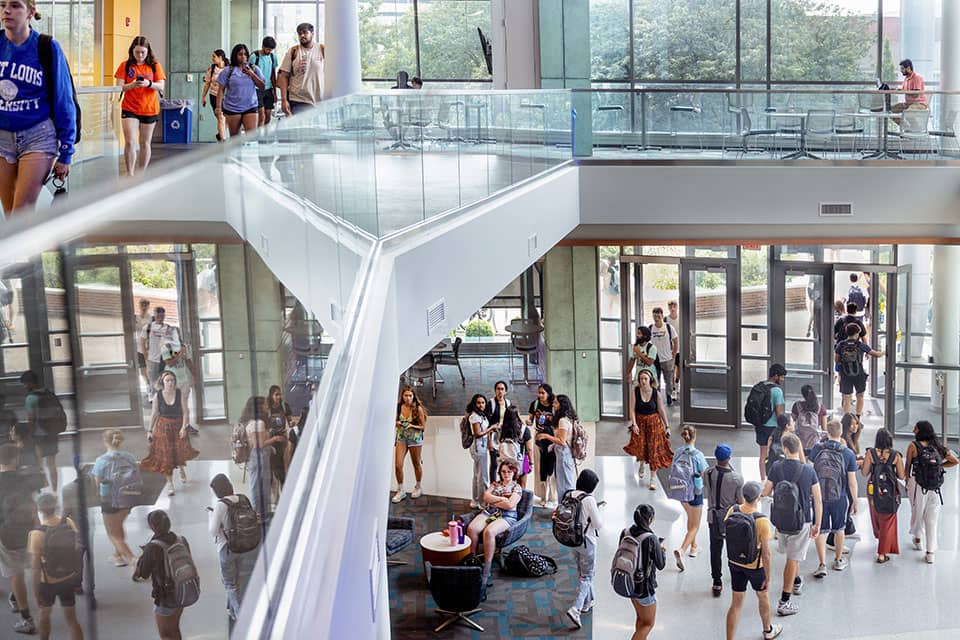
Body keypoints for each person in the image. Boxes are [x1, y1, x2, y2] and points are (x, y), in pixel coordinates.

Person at [0, 0, 74, 217]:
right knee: (11, 214)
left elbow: (64, 100)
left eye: (15, 5)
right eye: (3, 4)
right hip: (2, 137)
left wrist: (66, 152)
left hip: (38, 136)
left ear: (30, 11)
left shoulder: (47, 47)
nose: (6, 10)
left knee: (22, 214)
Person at [762, 432, 822, 617]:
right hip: (801, 521)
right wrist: (817, 523)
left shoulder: (775, 467)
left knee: (791, 554)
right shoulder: (809, 471)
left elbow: (766, 491)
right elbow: (818, 500)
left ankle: (796, 581)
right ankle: (784, 601)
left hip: (780, 520)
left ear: (785, 449)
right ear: (799, 449)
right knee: (792, 559)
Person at [724, 481, 782, 640]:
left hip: (735, 563)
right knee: (763, 596)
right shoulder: (762, 521)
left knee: (735, 603)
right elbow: (766, 553)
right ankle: (768, 631)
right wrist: (768, 576)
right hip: (755, 567)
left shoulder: (732, 510)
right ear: (758, 498)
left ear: (743, 496)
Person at [29, 493, 83, 640]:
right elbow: (76, 548)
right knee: (72, 619)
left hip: (47, 582)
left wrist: (36, 592)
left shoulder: (36, 534)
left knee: (44, 616)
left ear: (39, 509)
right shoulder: (68, 522)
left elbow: (35, 569)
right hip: (68, 578)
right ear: (56, 505)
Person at [133, 510, 194, 640]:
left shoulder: (153, 547)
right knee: (175, 629)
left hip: (165, 597)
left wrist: (142, 559)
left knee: (165, 634)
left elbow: (144, 574)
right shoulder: (181, 539)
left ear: (152, 526)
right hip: (183, 590)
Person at [809, 420, 859, 577]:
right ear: (841, 432)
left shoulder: (818, 448)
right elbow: (852, 481)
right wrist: (855, 501)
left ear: (827, 432)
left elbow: (810, 471)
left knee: (820, 528)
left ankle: (822, 564)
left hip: (819, 496)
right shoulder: (848, 453)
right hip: (840, 496)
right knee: (839, 528)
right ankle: (838, 560)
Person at [904, 420, 958, 564]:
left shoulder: (913, 446)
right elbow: (955, 461)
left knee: (917, 511)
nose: (913, 430)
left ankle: (917, 538)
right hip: (935, 487)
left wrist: (907, 480)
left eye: (915, 428)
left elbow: (908, 465)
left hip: (917, 484)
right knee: (932, 518)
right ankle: (930, 552)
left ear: (920, 431)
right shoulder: (938, 447)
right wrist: (941, 465)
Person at [208, 474, 258, 629]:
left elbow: (213, 531)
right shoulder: (243, 498)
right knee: (240, 579)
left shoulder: (220, 505)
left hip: (227, 549)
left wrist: (211, 516)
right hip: (247, 545)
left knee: (230, 583)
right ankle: (231, 608)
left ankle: (240, 616)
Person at [465, 459, 522, 592]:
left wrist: (494, 501)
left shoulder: (516, 487)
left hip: (507, 516)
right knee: (472, 529)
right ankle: (472, 561)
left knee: (489, 532)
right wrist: (502, 499)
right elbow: (485, 497)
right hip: (489, 512)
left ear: (514, 472)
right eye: (503, 471)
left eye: (509, 471)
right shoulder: (495, 484)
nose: (506, 474)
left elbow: (510, 505)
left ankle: (487, 568)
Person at [141, 371, 199, 497]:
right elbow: (154, 413)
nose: (170, 383)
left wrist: (184, 427)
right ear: (163, 382)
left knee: (178, 451)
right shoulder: (158, 396)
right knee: (166, 455)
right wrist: (150, 430)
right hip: (163, 427)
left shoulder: (180, 394)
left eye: (172, 380)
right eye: (168, 380)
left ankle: (181, 469)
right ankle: (170, 483)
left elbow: (185, 412)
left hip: (178, 426)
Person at [0, 443, 38, 634]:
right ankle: (16, 598)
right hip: (27, 531)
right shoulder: (25, 479)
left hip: (6, 534)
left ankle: (26, 618)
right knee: (25, 569)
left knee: (16, 573)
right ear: (16, 459)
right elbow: (33, 506)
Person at [115, 36, 165, 176]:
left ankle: (141, 174)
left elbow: (161, 86)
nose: (140, 55)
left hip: (149, 108)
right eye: (137, 52)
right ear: (132, 51)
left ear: (148, 51)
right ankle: (130, 173)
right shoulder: (125, 65)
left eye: (143, 52)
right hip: (130, 108)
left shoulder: (155, 66)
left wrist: (149, 84)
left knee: (144, 143)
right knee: (130, 142)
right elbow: (119, 87)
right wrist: (132, 85)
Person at [91, 429, 138, 567]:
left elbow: (97, 483)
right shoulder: (129, 457)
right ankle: (117, 556)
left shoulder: (101, 461)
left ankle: (132, 559)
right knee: (118, 527)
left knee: (112, 534)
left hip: (110, 500)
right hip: (128, 498)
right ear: (120, 441)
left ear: (105, 441)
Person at [563, 468, 603, 630]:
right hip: (587, 542)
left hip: (572, 540)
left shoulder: (569, 494)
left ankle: (588, 602)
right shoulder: (589, 500)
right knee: (587, 576)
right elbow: (598, 524)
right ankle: (576, 608)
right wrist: (599, 511)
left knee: (584, 572)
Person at [703, 444, 744, 597]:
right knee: (733, 548)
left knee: (715, 549)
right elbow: (740, 501)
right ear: (729, 458)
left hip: (713, 516)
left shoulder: (707, 473)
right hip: (730, 518)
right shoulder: (736, 478)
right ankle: (736, 577)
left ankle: (717, 582)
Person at [860, 428, 905, 563]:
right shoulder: (895, 455)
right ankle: (882, 553)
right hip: (890, 491)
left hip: (873, 489)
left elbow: (864, 473)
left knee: (876, 515)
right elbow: (901, 475)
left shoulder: (870, 453)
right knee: (888, 519)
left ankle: (880, 538)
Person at [624, 370, 673, 491]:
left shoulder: (656, 393)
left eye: (645, 379)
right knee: (641, 447)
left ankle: (652, 479)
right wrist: (634, 424)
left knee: (653, 451)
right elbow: (632, 410)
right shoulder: (635, 391)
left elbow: (661, 410)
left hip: (654, 424)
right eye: (641, 379)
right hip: (640, 423)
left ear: (650, 380)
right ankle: (641, 463)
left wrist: (667, 426)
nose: (643, 381)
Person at [622, 504, 665, 640]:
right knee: (648, 624)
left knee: (641, 619)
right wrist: (662, 551)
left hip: (629, 583)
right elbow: (661, 565)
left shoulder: (625, 532)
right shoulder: (651, 538)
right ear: (650, 519)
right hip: (644, 588)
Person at [240, 395, 286, 521]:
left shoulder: (249, 421)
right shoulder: (258, 423)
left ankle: (259, 513)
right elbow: (259, 444)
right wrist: (275, 439)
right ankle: (259, 514)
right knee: (260, 486)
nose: (267, 406)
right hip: (258, 457)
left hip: (253, 457)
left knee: (257, 485)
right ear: (259, 407)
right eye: (265, 404)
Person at [671, 425, 708, 571]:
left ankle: (694, 547)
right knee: (695, 525)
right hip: (695, 492)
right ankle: (682, 550)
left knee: (690, 520)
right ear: (694, 436)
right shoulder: (698, 455)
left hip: (681, 492)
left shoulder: (678, 452)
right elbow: (704, 472)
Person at [20, 370, 61, 492]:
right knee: (52, 464)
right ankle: (54, 491)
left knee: (39, 464)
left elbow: (31, 419)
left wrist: (29, 435)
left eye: (25, 383)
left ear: (30, 383)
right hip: (52, 433)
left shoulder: (31, 398)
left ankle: (40, 490)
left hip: (39, 435)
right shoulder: (49, 393)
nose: (24, 386)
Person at [215, 43, 265, 137]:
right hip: (233, 107)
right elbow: (221, 90)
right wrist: (218, 108)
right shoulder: (228, 70)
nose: (243, 57)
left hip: (250, 106)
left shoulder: (254, 69)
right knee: (235, 139)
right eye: (240, 54)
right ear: (235, 55)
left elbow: (262, 86)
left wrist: (252, 74)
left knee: (251, 137)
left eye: (245, 54)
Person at [835, 323, 884, 417]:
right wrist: (885, 352)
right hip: (859, 374)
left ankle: (847, 419)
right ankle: (857, 417)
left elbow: (837, 360)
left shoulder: (840, 345)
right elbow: (876, 354)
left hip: (845, 374)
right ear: (857, 334)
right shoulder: (860, 345)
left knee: (847, 398)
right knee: (860, 395)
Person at [278, 22, 324, 117]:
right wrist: (284, 100)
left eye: (305, 32)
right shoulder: (293, 51)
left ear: (312, 34)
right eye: (299, 33)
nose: (302, 35)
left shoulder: (321, 49)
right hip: (298, 100)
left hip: (319, 101)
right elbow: (283, 76)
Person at [537, 394, 577, 501]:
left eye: (555, 403)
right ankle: (564, 507)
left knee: (565, 483)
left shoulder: (563, 421)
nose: (553, 405)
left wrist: (546, 436)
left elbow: (562, 441)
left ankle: (567, 508)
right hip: (564, 454)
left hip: (564, 455)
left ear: (561, 405)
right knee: (564, 482)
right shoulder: (568, 418)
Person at [391, 386, 426, 504]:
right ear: (402, 396)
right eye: (405, 395)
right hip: (402, 437)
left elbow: (422, 427)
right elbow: (393, 421)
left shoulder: (418, 409)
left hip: (415, 439)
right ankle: (400, 490)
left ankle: (418, 486)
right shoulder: (398, 407)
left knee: (416, 463)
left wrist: (411, 426)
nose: (408, 398)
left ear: (413, 396)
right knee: (398, 465)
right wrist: (397, 423)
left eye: (410, 395)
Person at [754, 364, 786, 482]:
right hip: (771, 426)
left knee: (762, 454)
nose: (782, 380)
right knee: (773, 455)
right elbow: (779, 412)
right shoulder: (777, 391)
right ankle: (771, 480)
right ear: (776, 376)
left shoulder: (760, 386)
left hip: (760, 424)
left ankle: (763, 479)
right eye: (782, 377)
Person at [527, 384, 557, 507]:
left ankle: (552, 496)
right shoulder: (534, 404)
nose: (540, 395)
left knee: (552, 468)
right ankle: (543, 496)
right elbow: (531, 419)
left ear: (548, 393)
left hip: (551, 439)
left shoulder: (554, 405)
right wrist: (528, 421)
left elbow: (558, 423)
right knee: (541, 467)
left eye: (542, 393)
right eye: (539, 392)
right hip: (539, 439)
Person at [467, 394, 497, 509]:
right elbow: (477, 434)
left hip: (480, 447)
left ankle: (475, 500)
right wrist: (491, 428)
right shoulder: (475, 417)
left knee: (477, 474)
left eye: (483, 402)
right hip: (479, 448)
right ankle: (483, 502)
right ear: (474, 404)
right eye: (479, 403)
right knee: (483, 476)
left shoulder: (480, 415)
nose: (481, 405)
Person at [161, 340, 197, 435]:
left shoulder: (184, 346)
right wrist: (180, 353)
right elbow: (169, 363)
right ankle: (172, 426)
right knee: (172, 404)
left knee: (184, 405)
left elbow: (188, 361)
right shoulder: (166, 347)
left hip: (183, 380)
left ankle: (186, 425)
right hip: (171, 381)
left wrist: (195, 375)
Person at [141, 306, 176, 392]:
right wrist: (146, 356)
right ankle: (154, 399)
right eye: (158, 316)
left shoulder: (168, 327)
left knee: (165, 381)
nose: (160, 318)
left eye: (162, 316)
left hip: (165, 359)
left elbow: (171, 344)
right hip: (152, 359)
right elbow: (142, 343)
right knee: (153, 382)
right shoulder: (147, 328)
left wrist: (172, 356)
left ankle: (164, 400)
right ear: (154, 315)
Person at [499, 405, 534, 489]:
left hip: (506, 460)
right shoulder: (524, 429)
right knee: (522, 486)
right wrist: (531, 463)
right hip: (523, 459)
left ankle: (510, 501)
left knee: (508, 485)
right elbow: (529, 449)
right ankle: (521, 501)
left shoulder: (501, 428)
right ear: (517, 415)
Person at [266, 385, 293, 492]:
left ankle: (283, 487)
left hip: (282, 439)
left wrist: (292, 423)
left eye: (279, 394)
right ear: (271, 395)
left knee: (281, 465)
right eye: (276, 394)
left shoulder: (285, 406)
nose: (278, 397)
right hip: (271, 440)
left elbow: (289, 421)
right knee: (272, 465)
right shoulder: (267, 408)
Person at [649, 307, 678, 405]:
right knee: (655, 381)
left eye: (658, 316)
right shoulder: (650, 328)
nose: (656, 318)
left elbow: (675, 340)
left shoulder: (669, 327)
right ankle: (657, 399)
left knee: (669, 381)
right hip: (655, 360)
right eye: (654, 316)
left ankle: (669, 396)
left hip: (667, 360)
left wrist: (673, 353)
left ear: (662, 315)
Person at [485, 380, 511, 482]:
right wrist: (489, 441)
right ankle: (493, 484)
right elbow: (487, 423)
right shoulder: (491, 403)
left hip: (505, 436)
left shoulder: (508, 403)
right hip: (493, 436)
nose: (500, 391)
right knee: (494, 463)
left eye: (502, 389)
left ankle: (503, 484)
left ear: (506, 391)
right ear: (495, 390)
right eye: (498, 389)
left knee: (504, 461)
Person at [791, 384, 827, 455]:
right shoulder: (821, 407)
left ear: (803, 394)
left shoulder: (797, 405)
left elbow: (791, 421)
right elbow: (824, 428)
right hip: (814, 442)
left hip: (799, 441)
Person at [200, 49, 227, 141]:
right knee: (221, 118)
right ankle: (223, 140)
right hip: (214, 96)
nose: (212, 58)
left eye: (214, 56)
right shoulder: (212, 69)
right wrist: (203, 97)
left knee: (224, 119)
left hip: (227, 97)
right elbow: (207, 83)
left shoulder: (229, 68)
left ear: (220, 58)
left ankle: (221, 137)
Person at [252, 37, 279, 126]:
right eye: (268, 49)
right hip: (257, 90)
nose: (269, 51)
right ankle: (259, 138)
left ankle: (263, 135)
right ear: (263, 46)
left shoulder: (272, 57)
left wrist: (275, 92)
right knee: (261, 116)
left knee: (268, 116)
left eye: (271, 49)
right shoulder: (254, 57)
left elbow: (273, 75)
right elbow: (249, 74)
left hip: (268, 89)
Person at [892, 58, 927, 123]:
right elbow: (904, 90)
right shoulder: (906, 79)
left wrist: (904, 91)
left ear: (908, 68)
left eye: (902, 68)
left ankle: (915, 128)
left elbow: (915, 94)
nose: (901, 70)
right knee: (892, 110)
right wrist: (897, 90)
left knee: (908, 113)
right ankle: (905, 127)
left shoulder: (917, 77)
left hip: (919, 104)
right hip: (908, 104)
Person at [133, 299, 153, 398]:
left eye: (146, 306)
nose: (144, 308)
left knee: (150, 368)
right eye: (142, 305)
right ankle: (148, 385)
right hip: (139, 347)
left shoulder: (151, 318)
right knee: (142, 370)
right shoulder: (135, 317)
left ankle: (151, 388)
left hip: (150, 347)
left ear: (148, 307)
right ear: (139, 306)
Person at [666, 300, 681, 401]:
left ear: (677, 307)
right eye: (670, 306)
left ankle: (676, 382)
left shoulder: (681, 319)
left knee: (678, 368)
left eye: (674, 306)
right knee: (671, 370)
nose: (672, 308)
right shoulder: (666, 319)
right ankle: (673, 389)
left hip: (680, 348)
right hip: (669, 349)